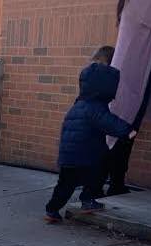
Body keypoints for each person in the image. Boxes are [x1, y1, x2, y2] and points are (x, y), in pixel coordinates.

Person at [44, 61, 136, 223]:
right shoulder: (95, 107)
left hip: (70, 155)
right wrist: (128, 131)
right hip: (86, 155)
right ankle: (87, 200)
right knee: (97, 175)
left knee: (65, 185)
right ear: (105, 88)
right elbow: (109, 122)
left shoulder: (79, 104)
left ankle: (52, 209)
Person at [102, 0, 151, 195]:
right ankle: (101, 186)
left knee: (126, 134)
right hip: (130, 80)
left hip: (137, 79)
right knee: (120, 134)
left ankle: (114, 184)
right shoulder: (144, 1)